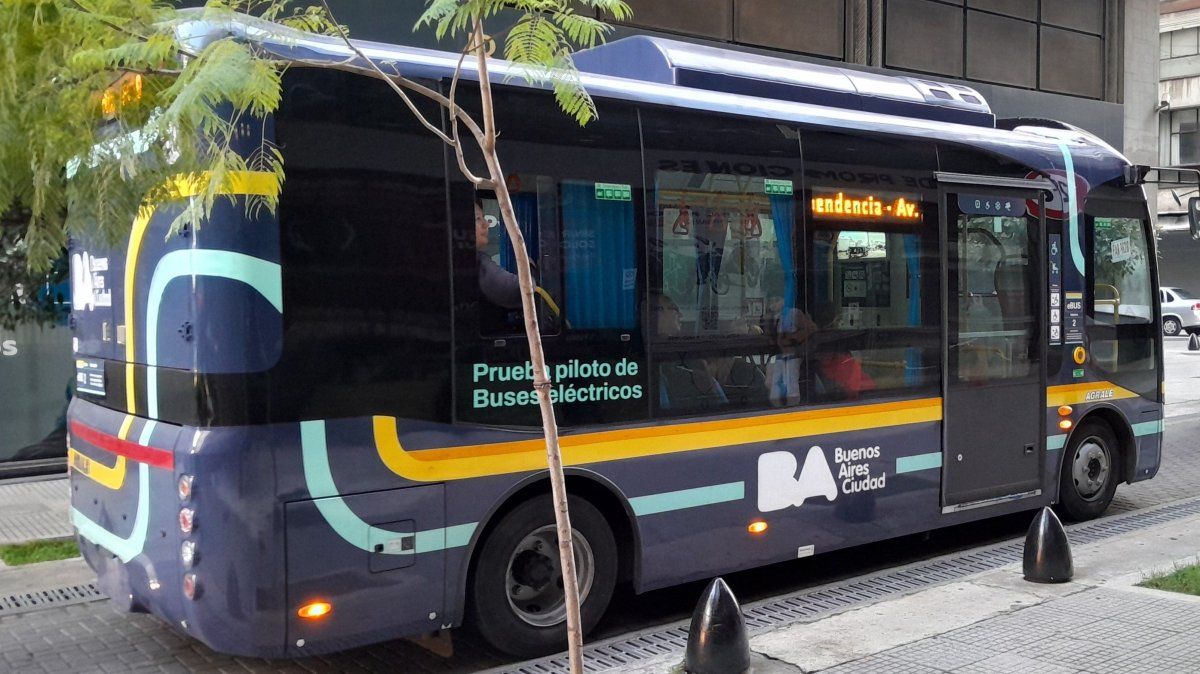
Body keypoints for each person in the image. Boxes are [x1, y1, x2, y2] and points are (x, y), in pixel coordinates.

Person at [475, 198, 523, 309]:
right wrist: (531, 270)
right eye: (478, 218)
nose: (486, 224)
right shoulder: (478, 262)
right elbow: (516, 290)